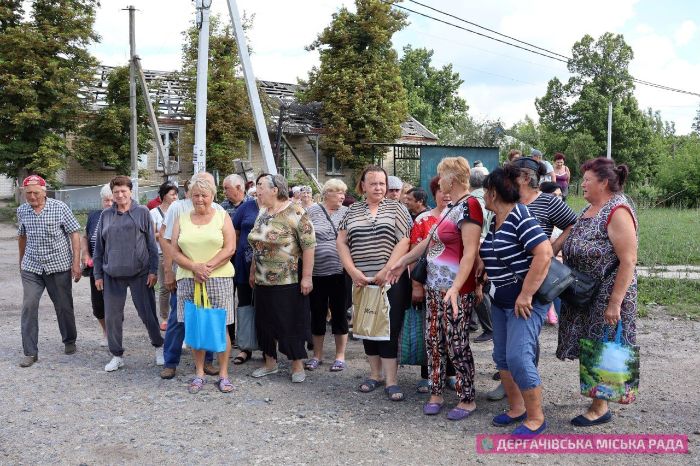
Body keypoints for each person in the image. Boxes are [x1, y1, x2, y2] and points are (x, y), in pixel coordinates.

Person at [390, 157, 483, 420]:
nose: (439, 181)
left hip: (456, 291)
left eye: (442, 176)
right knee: (433, 342)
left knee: (456, 344)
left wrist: (456, 287)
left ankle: (466, 398)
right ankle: (436, 392)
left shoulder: (470, 205)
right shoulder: (450, 207)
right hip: (434, 287)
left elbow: (470, 252)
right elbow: (428, 242)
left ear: (452, 179)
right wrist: (401, 263)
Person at [557, 157, 638, 427]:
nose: (582, 185)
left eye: (587, 180)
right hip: (585, 291)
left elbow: (628, 260)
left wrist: (615, 302)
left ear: (603, 183)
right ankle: (596, 396)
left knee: (603, 344)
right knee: (590, 343)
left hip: (607, 292)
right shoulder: (590, 208)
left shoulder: (618, 210)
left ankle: (600, 407)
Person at [479, 165, 552, 436]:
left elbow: (544, 253)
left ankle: (536, 418)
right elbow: (498, 250)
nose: (483, 196)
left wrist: (526, 293)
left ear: (494, 193)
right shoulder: (496, 219)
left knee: (519, 358)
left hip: (524, 303)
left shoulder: (520, 216)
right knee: (501, 357)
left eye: (486, 191)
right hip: (501, 300)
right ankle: (517, 408)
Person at [337, 165, 411, 402]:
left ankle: (391, 380)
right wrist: (352, 271)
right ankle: (374, 375)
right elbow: (341, 242)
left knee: (389, 328)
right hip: (361, 280)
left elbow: (404, 241)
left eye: (382, 183)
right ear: (363, 186)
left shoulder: (397, 208)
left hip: (390, 280)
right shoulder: (352, 211)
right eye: (373, 183)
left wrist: (386, 270)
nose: (378, 188)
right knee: (367, 326)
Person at [170, 176, 236, 394]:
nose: (200, 199)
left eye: (204, 195)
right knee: (195, 324)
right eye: (195, 195)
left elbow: (230, 248)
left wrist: (206, 267)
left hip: (218, 278)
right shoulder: (182, 218)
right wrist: (194, 267)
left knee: (220, 325)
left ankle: (223, 374)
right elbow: (174, 251)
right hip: (188, 278)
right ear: (189, 196)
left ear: (212, 196)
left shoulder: (222, 216)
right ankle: (199, 372)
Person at [248, 174, 316, 383]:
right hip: (262, 279)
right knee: (264, 322)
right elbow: (257, 245)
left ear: (275, 190)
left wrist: (307, 277)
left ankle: (297, 365)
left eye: (261, 186)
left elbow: (309, 246)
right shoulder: (263, 212)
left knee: (289, 323)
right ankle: (270, 363)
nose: (257, 190)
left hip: (288, 280)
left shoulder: (296, 212)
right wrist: (252, 270)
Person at [93, 175, 164, 372]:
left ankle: (159, 346)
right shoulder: (106, 215)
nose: (120, 195)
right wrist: (98, 274)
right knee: (112, 317)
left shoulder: (142, 212)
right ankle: (116, 355)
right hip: (112, 274)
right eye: (116, 192)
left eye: (123, 191)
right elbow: (99, 248)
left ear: (131, 192)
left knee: (147, 313)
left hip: (140, 273)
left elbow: (151, 244)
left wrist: (153, 270)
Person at [158, 174, 220, 379]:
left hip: (209, 275)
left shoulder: (218, 210)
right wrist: (168, 271)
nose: (202, 191)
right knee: (178, 319)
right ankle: (170, 362)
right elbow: (166, 241)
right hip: (183, 274)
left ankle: (207, 361)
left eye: (207, 185)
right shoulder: (178, 208)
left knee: (206, 317)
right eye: (199, 186)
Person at [17, 175, 82, 368]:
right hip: (32, 266)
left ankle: (69, 340)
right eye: (28, 193)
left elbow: (74, 234)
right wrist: (21, 261)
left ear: (44, 192)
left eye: (36, 193)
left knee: (63, 305)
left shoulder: (60, 207)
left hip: (58, 266)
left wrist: (76, 263)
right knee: (29, 306)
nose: (32, 197)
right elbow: (22, 236)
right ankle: (30, 352)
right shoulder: (22, 210)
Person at [406, 176, 457, 394]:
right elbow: (414, 255)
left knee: (454, 331)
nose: (446, 195)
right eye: (441, 190)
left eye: (450, 190)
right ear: (434, 193)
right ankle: (428, 375)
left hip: (456, 286)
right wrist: (416, 285)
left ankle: (451, 374)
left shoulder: (461, 217)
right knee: (430, 331)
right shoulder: (423, 219)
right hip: (429, 286)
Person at [304, 179, 349, 372]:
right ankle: (317, 355)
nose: (342, 196)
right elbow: (304, 238)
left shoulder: (347, 213)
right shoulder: (312, 211)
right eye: (338, 192)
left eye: (343, 193)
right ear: (327, 193)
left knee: (340, 313)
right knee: (317, 313)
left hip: (341, 272)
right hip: (316, 272)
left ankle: (340, 356)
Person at [81, 183, 114, 346]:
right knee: (98, 306)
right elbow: (85, 236)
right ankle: (106, 331)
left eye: (112, 200)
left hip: (114, 269)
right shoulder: (94, 215)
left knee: (113, 304)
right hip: (96, 268)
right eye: (106, 200)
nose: (109, 203)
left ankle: (114, 334)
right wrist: (85, 254)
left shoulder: (121, 216)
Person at [230, 191, 260, 365]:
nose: (260, 190)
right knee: (245, 304)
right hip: (244, 263)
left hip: (268, 267)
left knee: (266, 307)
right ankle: (245, 347)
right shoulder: (246, 207)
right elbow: (235, 233)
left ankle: (267, 349)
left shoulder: (277, 208)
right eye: (259, 185)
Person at [220, 173, 248, 344]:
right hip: (226, 259)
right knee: (226, 298)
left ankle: (246, 339)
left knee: (245, 300)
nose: (224, 192)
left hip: (245, 261)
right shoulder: (221, 207)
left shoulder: (252, 205)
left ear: (238, 188)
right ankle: (229, 337)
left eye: (226, 188)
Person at [467, 169, 494, 343]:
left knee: (479, 287)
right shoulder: (487, 199)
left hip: (477, 246)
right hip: (488, 243)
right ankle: (475, 322)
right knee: (480, 287)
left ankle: (489, 328)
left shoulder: (471, 201)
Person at [150, 181, 179, 330]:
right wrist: (167, 234)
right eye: (172, 194)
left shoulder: (179, 211)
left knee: (178, 285)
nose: (175, 197)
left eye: (176, 194)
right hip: (161, 253)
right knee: (164, 286)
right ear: (164, 195)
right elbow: (151, 235)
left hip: (178, 253)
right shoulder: (154, 213)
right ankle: (165, 317)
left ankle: (177, 314)